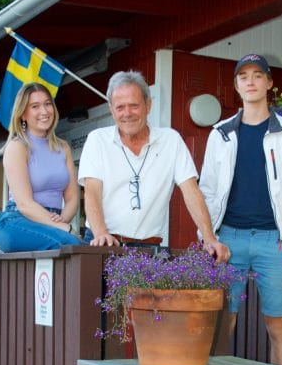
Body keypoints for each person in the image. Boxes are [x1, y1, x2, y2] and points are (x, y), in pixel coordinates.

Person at [199, 53, 282, 365]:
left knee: (277, 324)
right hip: (228, 240)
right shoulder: (220, 134)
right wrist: (209, 238)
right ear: (236, 85)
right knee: (225, 322)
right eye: (243, 76)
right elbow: (206, 191)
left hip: (274, 241)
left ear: (269, 83)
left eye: (257, 75)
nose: (250, 81)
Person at [78, 70, 229, 261]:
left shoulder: (171, 140)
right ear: (111, 109)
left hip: (149, 248)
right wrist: (101, 233)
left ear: (148, 105)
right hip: (105, 243)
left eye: (134, 106)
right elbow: (91, 192)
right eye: (120, 107)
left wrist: (209, 238)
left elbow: (191, 191)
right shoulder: (97, 140)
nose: (127, 114)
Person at [0, 82, 82, 252]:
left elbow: (72, 199)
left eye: (48, 104)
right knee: (73, 245)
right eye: (35, 106)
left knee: (79, 247)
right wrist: (64, 228)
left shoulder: (63, 148)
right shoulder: (17, 147)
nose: (44, 111)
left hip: (53, 220)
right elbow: (25, 204)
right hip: (18, 221)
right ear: (23, 114)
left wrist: (61, 220)